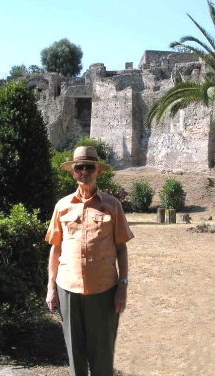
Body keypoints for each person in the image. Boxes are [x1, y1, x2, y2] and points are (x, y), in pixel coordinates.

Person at [45, 145, 134, 376]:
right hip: (68, 289)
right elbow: (55, 249)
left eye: (89, 167)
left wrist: (123, 287)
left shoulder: (113, 206)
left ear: (98, 172)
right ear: (73, 172)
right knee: (75, 353)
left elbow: (121, 248)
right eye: (79, 167)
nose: (84, 171)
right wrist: (51, 288)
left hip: (104, 290)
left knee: (102, 354)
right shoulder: (62, 206)